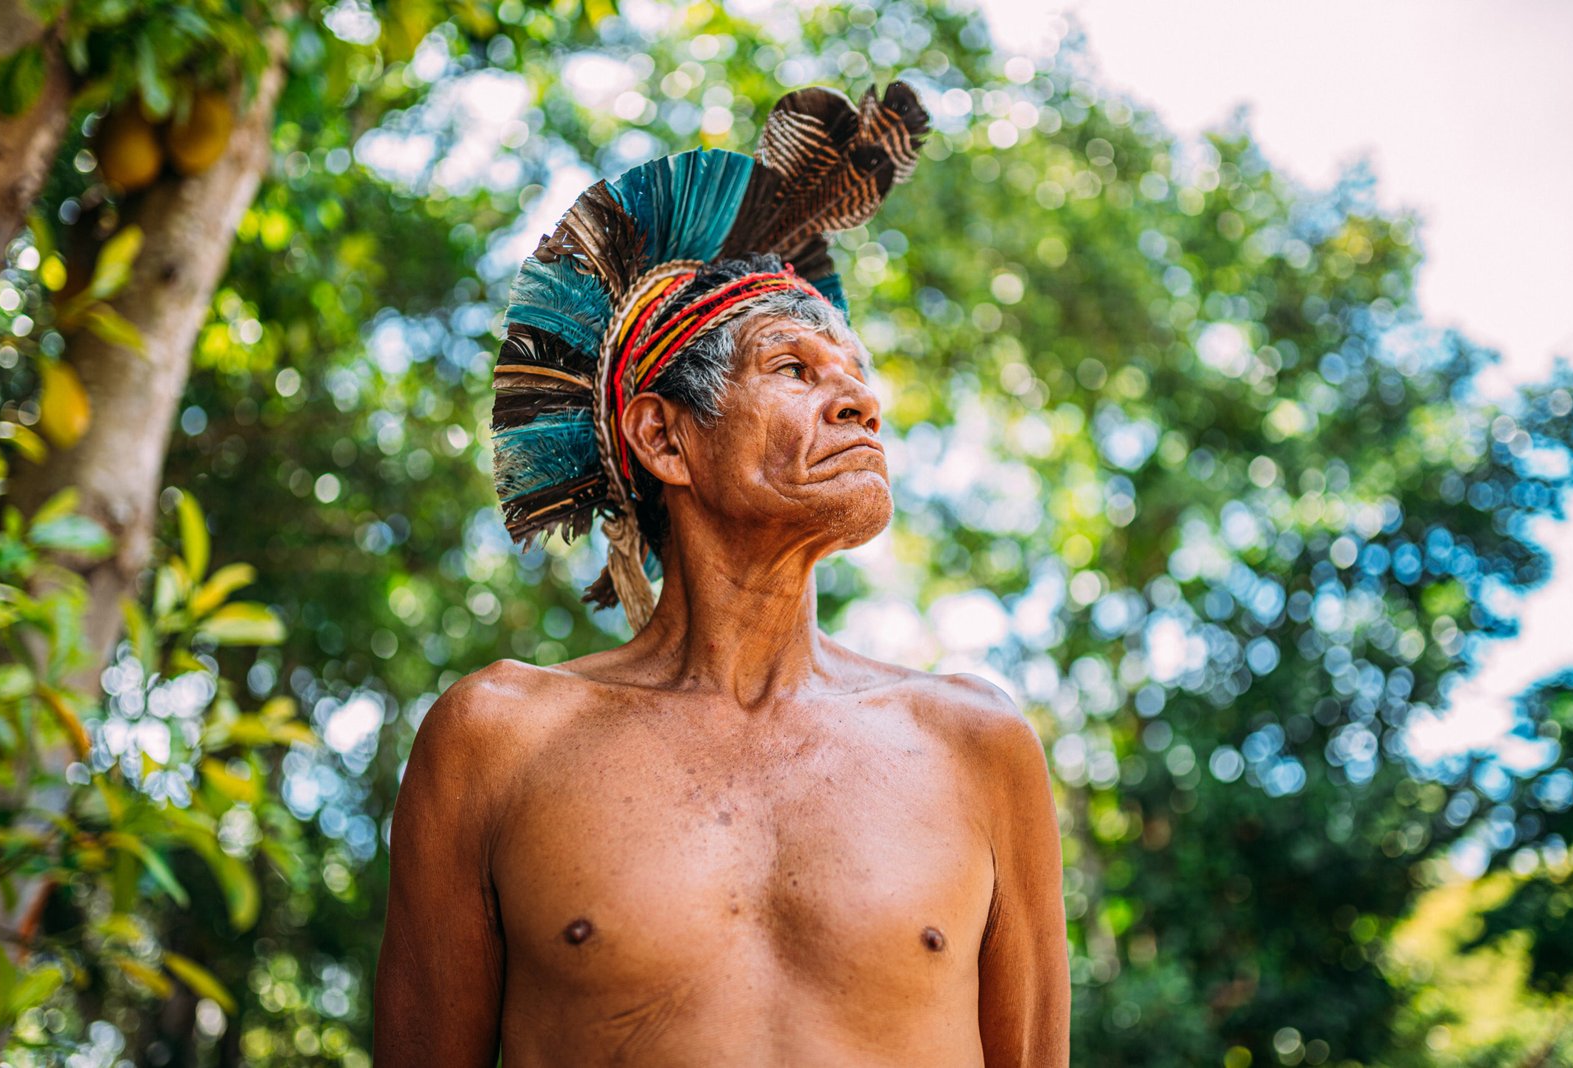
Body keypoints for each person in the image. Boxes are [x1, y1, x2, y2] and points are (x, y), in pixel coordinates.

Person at [373, 77, 1070, 1067]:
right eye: (794, 368)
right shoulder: (497, 744)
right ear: (663, 436)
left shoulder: (977, 746)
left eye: (858, 375)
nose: (860, 404)